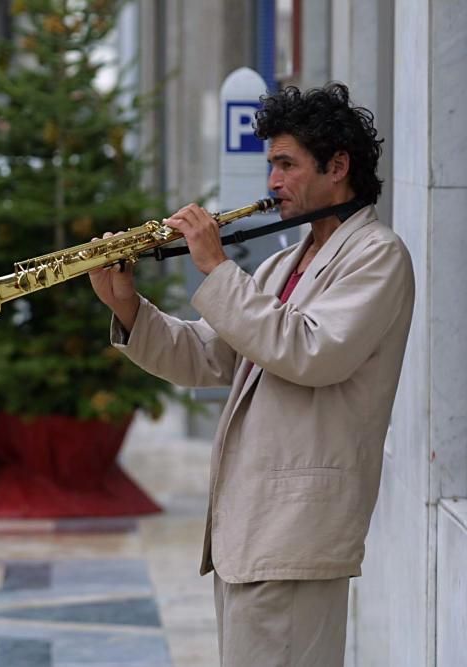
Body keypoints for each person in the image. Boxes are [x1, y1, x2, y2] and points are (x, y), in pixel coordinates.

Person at [90, 82, 414, 666]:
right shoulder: (284, 262)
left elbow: (312, 353)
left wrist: (215, 266)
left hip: (298, 530)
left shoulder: (378, 256)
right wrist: (128, 307)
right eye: (271, 165)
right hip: (252, 527)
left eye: (286, 165)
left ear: (337, 166)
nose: (273, 182)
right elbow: (209, 356)